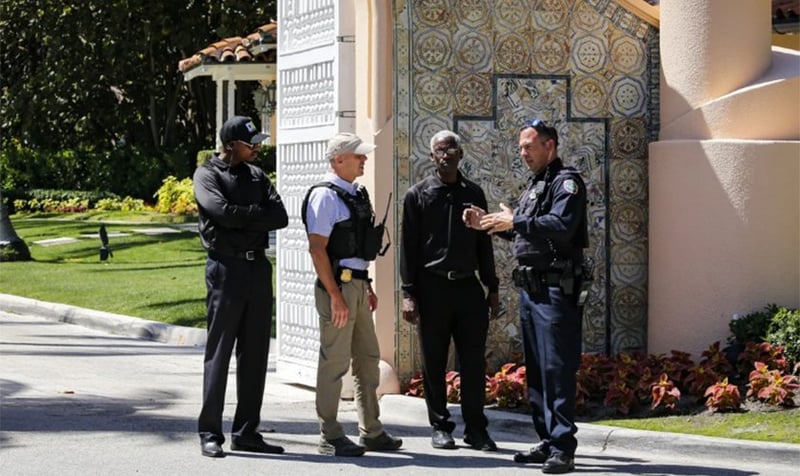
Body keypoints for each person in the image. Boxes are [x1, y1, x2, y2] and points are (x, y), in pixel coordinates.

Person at [471, 119, 588, 474]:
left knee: (557, 368)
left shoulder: (567, 182)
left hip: (556, 290)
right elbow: (528, 232)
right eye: (521, 147)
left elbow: (561, 227)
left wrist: (516, 222)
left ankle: (563, 447)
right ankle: (548, 440)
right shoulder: (536, 185)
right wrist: (491, 224)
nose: (523, 153)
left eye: (529, 146)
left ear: (549, 146)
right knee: (537, 370)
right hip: (532, 290)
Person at [193, 115, 289, 458]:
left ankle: (247, 431)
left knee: (255, 353)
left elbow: (280, 217)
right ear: (231, 145)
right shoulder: (207, 175)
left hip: (257, 269)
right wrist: (253, 215)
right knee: (219, 354)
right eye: (251, 144)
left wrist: (241, 217)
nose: (257, 148)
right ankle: (210, 432)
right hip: (226, 268)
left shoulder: (257, 176)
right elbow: (220, 212)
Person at [301, 132, 402, 457]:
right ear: (338, 159)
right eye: (358, 155)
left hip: (356, 285)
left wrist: (367, 286)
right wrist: (335, 295)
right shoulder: (324, 196)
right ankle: (329, 435)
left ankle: (371, 431)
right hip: (339, 287)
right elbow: (317, 249)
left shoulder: (355, 194)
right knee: (335, 362)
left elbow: (356, 247)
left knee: (368, 360)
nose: (364, 160)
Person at [399, 130, 501, 452]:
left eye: (451, 150)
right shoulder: (418, 195)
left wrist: (492, 287)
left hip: (468, 287)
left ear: (461, 154)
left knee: (473, 361)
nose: (446, 155)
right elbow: (408, 248)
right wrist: (408, 293)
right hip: (433, 287)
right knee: (434, 361)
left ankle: (476, 428)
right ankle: (440, 426)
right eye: (440, 151)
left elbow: (484, 243)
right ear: (432, 156)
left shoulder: (474, 193)